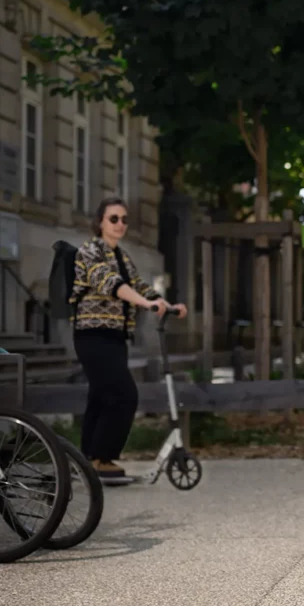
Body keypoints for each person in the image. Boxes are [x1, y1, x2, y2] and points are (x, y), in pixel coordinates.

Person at [70, 197, 187, 478]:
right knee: (124, 395)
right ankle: (103, 457)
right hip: (92, 335)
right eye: (114, 219)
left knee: (100, 398)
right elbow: (114, 286)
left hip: (115, 336)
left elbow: (138, 285)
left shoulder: (121, 256)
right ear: (100, 222)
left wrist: (165, 303)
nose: (120, 224)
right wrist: (146, 305)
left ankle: (87, 460)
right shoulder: (89, 251)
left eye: (124, 219)